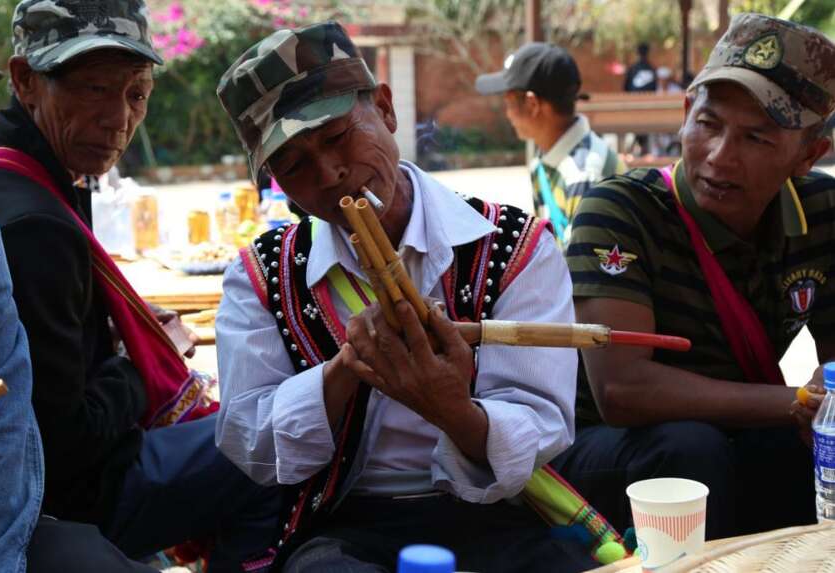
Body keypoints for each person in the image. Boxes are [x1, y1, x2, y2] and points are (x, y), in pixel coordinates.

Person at [214, 22, 595, 573]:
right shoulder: (262, 274)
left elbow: (544, 425)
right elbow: (249, 443)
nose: (330, 173)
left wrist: (453, 409)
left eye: (338, 135)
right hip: (348, 521)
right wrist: (348, 369)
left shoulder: (514, 247)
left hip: (497, 512)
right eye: (294, 165)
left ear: (386, 110)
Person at [0, 2, 279, 571]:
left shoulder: (0, 173)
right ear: (24, 82)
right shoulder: (30, 226)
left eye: (135, 94)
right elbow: (61, 446)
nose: (118, 118)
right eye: (94, 89)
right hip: (63, 498)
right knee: (271, 448)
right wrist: (143, 366)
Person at [557, 13, 835, 540]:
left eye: (756, 138)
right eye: (708, 124)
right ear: (686, 112)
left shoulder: (822, 213)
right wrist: (798, 402)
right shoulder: (619, 211)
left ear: (809, 154)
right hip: (609, 447)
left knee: (806, 448)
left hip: (736, 435)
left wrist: (819, 403)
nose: (720, 157)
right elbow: (621, 388)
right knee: (689, 450)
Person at [475, 42, 623, 244]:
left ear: (532, 104)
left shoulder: (585, 175)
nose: (507, 113)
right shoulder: (543, 159)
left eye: (508, 102)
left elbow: (580, 268)